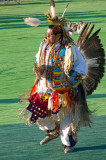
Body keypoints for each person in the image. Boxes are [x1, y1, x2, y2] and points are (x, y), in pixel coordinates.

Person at [19, 0, 105, 154]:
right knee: (38, 112)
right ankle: (52, 130)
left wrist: (69, 83)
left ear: (59, 34)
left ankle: (68, 142)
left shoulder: (70, 48)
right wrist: (37, 68)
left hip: (64, 89)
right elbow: (39, 59)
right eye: (46, 34)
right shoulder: (44, 45)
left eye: (50, 34)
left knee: (65, 117)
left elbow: (82, 68)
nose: (47, 36)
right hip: (44, 85)